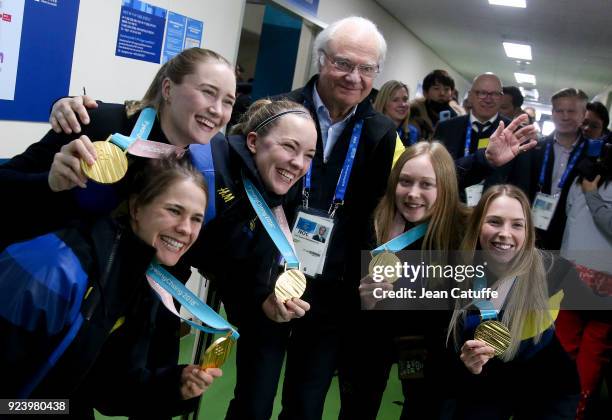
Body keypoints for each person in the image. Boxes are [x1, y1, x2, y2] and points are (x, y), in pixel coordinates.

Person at [0, 154, 221, 418]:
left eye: (196, 219)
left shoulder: (144, 281)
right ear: (136, 207)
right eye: (174, 210)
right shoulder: (56, 265)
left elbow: (106, 391)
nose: (186, 229)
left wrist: (174, 386)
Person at [0, 47, 236, 249]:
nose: (217, 110)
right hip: (36, 284)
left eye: (228, 101)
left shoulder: (199, 162)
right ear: (167, 89)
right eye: (208, 92)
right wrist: (49, 183)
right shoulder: (97, 122)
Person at [449, 184, 612, 419]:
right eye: (494, 221)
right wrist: (465, 365)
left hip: (547, 387)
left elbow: (598, 306)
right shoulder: (456, 274)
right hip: (484, 384)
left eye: (517, 224)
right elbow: (445, 354)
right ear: (477, 226)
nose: (505, 233)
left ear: (528, 232)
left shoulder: (553, 270)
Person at [356, 141, 469, 419]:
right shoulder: (373, 221)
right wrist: (363, 300)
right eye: (405, 182)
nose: (412, 194)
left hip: (427, 344)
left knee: (422, 407)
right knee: (358, 406)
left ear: (444, 188)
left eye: (426, 185)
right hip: (373, 338)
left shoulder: (463, 230)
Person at [558, 144, 612, 419]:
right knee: (585, 348)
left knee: (581, 347)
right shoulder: (585, 178)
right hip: (590, 277)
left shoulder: (585, 178)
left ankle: (564, 407)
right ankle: (570, 410)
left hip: (586, 275)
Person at [409, 69, 464, 139]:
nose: (442, 93)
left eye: (446, 89)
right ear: (425, 92)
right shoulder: (414, 112)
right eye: (436, 88)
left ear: (452, 93)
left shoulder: (456, 116)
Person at [373, 80, 420, 146]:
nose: (403, 104)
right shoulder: (370, 130)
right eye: (395, 100)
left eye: (405, 99)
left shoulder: (413, 133)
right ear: (383, 103)